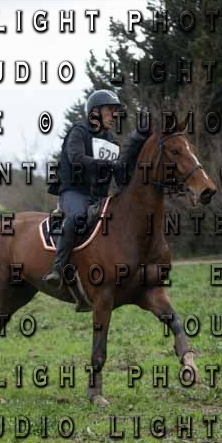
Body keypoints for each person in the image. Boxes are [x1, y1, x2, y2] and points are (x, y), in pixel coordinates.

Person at [42, 89, 127, 309]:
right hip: (74, 192)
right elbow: (76, 158)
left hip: (99, 198)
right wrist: (108, 164)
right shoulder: (79, 131)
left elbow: (120, 178)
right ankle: (57, 268)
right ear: (95, 112)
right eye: (110, 110)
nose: (113, 115)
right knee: (78, 217)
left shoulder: (113, 142)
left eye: (115, 111)